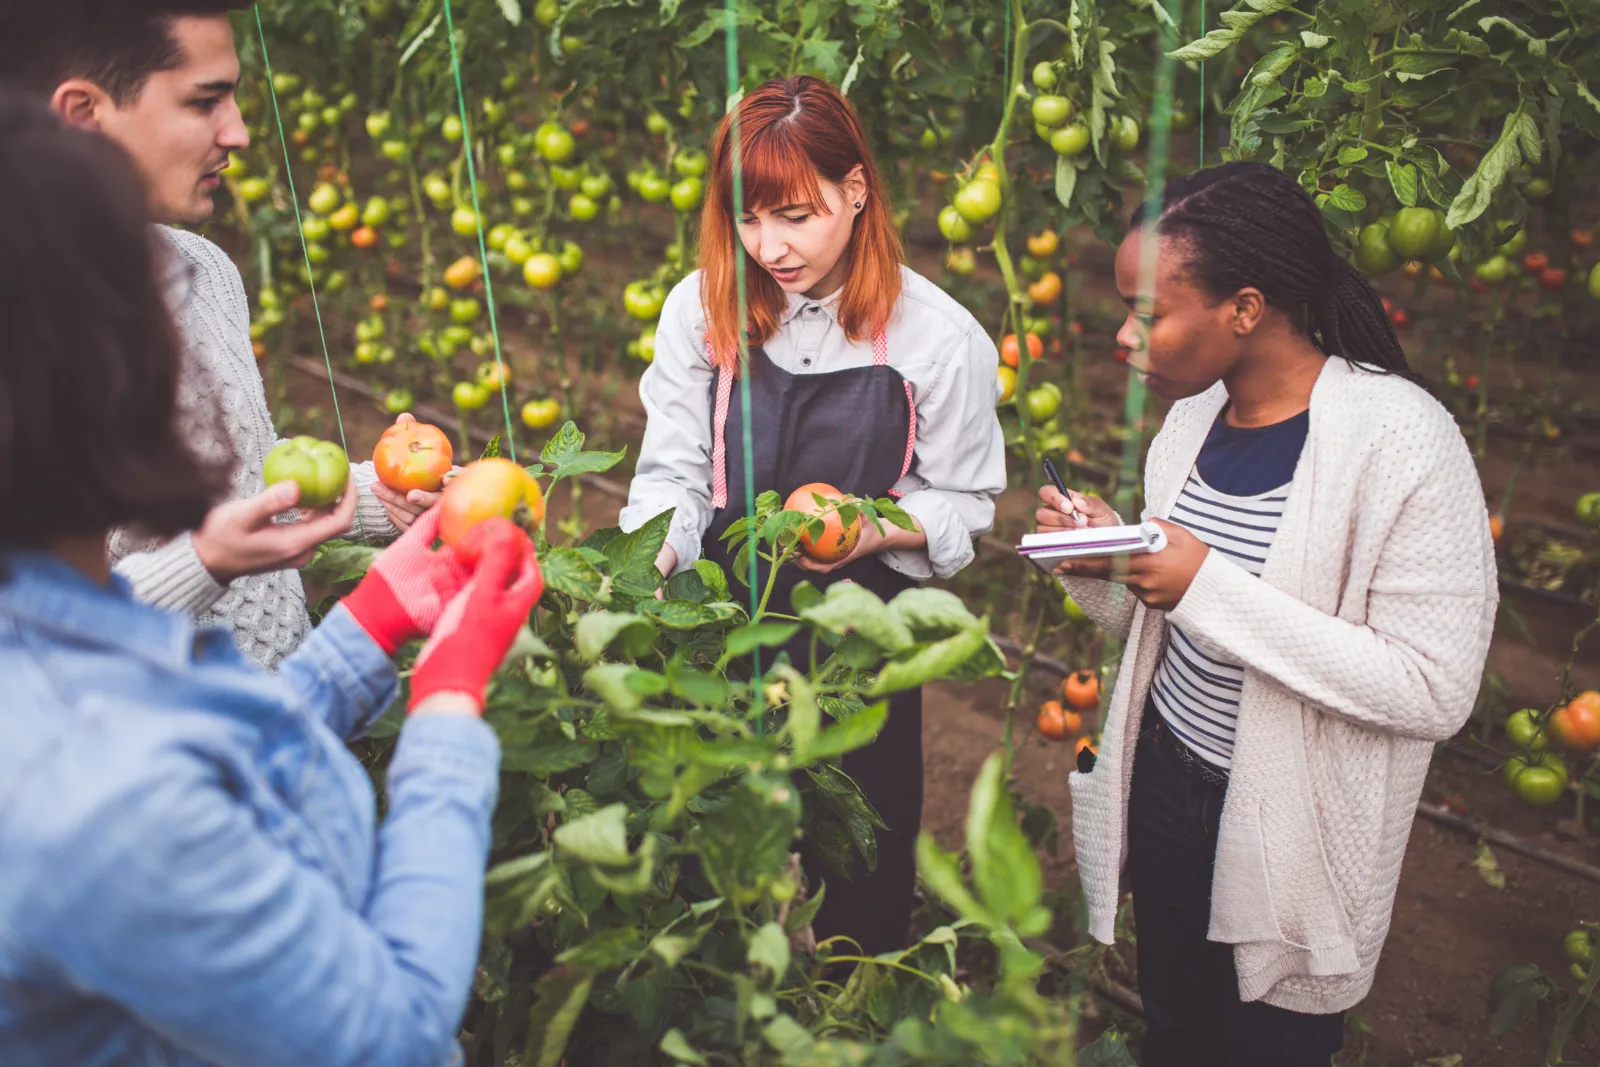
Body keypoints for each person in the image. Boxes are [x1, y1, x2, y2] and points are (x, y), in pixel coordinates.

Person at [0, 93, 541, 1066]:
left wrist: (367, 631)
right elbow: (398, 1035)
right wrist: (449, 706)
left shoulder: (54, 645)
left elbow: (196, 767)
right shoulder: (98, 796)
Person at [1037, 162, 1498, 1066]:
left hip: (1289, 820)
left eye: (1150, 310)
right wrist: (1109, 561)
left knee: (1269, 1047)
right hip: (1169, 777)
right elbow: (1168, 632)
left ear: (1244, 308)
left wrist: (1202, 580)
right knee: (1174, 1030)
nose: (1125, 334)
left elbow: (1433, 688)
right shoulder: (1192, 423)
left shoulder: (1400, 440)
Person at [619, 75, 1007, 955]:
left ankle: (845, 1004)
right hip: (722, 616)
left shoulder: (939, 341)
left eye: (795, 215)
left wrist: (875, 527)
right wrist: (646, 571)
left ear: (856, 191)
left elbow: (967, 503)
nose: (770, 247)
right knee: (705, 847)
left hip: (856, 647)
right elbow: (676, 477)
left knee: (857, 861)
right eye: (748, 220)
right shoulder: (704, 308)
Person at [0, 1, 442, 669]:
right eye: (205, 101)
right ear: (83, 115)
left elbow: (245, 486)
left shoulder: (202, 271)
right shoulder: (26, 329)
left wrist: (383, 498)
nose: (237, 133)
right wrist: (207, 563)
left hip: (266, 721)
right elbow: (29, 641)